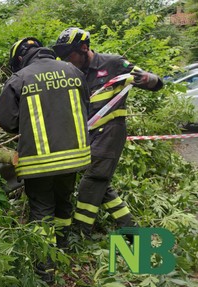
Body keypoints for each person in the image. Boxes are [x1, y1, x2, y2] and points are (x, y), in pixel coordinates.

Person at [52, 27, 164, 238]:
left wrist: (151, 79)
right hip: (87, 134)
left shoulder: (112, 63)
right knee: (101, 184)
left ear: (84, 48)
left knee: (91, 180)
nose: (67, 59)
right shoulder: (72, 71)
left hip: (110, 132)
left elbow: (152, 82)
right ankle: (132, 231)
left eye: (70, 54)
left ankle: (81, 234)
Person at [0, 37, 91, 284]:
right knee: (64, 204)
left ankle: (44, 270)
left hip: (38, 162)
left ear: (19, 58)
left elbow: (7, 121)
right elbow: (85, 105)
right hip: (74, 157)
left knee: (41, 213)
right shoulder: (73, 70)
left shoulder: (19, 78)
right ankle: (62, 252)